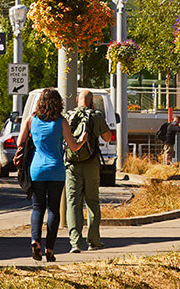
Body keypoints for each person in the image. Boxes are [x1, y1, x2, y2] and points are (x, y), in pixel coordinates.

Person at [17, 89, 81, 263]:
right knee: (53, 209)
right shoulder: (61, 122)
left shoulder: (31, 120)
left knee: (38, 208)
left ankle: (34, 240)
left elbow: (19, 142)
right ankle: (50, 249)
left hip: (36, 169)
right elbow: (73, 146)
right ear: (57, 103)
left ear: (40, 102)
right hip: (56, 170)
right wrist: (82, 140)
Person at [65, 90, 114, 253]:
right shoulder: (96, 116)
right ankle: (93, 241)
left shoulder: (68, 116)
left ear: (78, 100)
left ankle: (75, 243)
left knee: (73, 203)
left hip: (71, 165)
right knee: (92, 202)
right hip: (91, 164)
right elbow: (108, 138)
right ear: (91, 101)